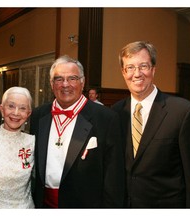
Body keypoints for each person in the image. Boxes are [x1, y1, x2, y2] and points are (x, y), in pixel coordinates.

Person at [29, 55, 124, 208]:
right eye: (59, 79)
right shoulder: (39, 115)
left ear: (83, 82)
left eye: (72, 78)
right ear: (52, 84)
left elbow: (114, 178)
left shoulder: (106, 118)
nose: (65, 84)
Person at [112, 41, 190, 208]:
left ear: (153, 69)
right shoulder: (115, 113)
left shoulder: (182, 112)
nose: (137, 74)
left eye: (143, 66)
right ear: (123, 72)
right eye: (130, 67)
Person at [0, 86, 35, 208]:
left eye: (22, 108)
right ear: (2, 109)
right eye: (11, 106)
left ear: (28, 114)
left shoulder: (33, 142)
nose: (16, 113)